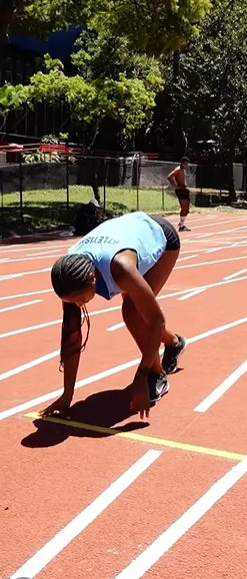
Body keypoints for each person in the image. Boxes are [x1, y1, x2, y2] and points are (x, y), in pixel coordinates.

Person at [40, 212, 186, 421]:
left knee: (133, 312)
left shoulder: (121, 269)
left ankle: (157, 375)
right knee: (133, 309)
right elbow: (71, 336)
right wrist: (67, 396)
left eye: (80, 298)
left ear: (93, 277)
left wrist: (140, 377)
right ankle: (174, 342)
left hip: (161, 236)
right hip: (127, 233)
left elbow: (156, 320)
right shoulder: (69, 274)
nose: (79, 304)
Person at [168, 157, 191, 231]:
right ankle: (181, 225)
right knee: (184, 209)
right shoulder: (178, 169)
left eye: (187, 163)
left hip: (184, 190)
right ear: (181, 162)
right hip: (181, 190)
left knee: (187, 209)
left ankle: (181, 224)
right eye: (184, 163)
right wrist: (176, 186)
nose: (186, 164)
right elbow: (169, 176)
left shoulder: (183, 170)